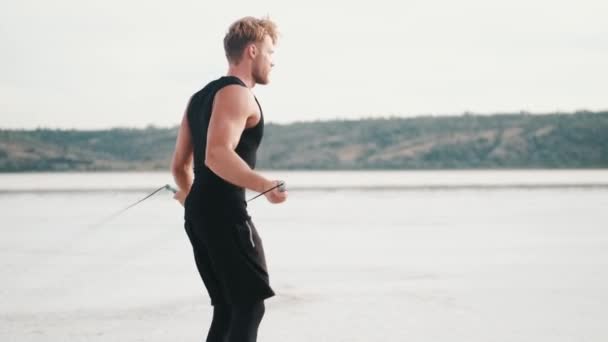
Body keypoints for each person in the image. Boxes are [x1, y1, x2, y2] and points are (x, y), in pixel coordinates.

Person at [170, 16, 287, 342]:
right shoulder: (238, 94)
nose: (273, 61)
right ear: (252, 51)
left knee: (228, 308)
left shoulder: (198, 98)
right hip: (224, 214)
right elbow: (216, 155)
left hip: (200, 215)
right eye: (270, 52)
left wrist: (190, 196)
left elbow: (179, 166)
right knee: (249, 307)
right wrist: (263, 184)